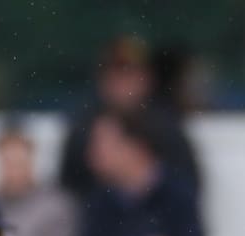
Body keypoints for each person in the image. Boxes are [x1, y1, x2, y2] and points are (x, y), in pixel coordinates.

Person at [77, 108, 204, 236]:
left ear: (136, 147)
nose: (92, 154)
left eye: (102, 145)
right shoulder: (99, 200)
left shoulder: (178, 196)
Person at [58, 34, 200, 202]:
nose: (122, 83)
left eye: (129, 74)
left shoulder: (165, 127)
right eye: (116, 74)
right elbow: (69, 190)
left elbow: (187, 187)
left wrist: (143, 176)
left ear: (147, 79)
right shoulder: (84, 128)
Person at [0, 119, 77, 236]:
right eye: (7, 163)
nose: (13, 171)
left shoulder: (55, 207)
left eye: (19, 163)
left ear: (32, 160)